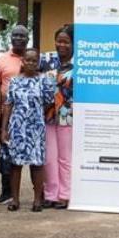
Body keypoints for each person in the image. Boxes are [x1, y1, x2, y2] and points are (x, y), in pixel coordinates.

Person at [0, 48, 56, 212]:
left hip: (36, 128)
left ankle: (37, 200)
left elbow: (49, 102)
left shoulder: (44, 80)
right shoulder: (15, 81)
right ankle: (15, 200)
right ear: (22, 61)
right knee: (15, 165)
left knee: (37, 165)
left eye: (34, 60)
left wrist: (35, 114)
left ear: (38, 62)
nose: (31, 63)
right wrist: (4, 128)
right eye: (28, 60)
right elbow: (8, 105)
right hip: (17, 128)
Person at [0, 25, 30, 205]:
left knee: (32, 153)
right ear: (10, 37)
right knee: (6, 153)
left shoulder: (33, 58)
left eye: (22, 36)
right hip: (7, 114)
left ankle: (40, 192)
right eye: (15, 35)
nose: (19, 38)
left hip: (30, 114)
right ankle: (6, 191)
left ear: (28, 39)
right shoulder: (1, 60)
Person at [41, 24, 75, 209]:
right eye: (59, 41)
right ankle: (50, 194)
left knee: (65, 158)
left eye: (66, 42)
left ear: (73, 43)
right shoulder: (45, 60)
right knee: (49, 157)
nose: (62, 45)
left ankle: (64, 195)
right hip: (47, 115)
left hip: (68, 116)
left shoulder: (79, 64)